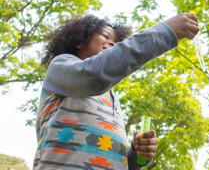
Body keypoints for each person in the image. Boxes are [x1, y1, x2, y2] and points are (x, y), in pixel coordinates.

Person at [33, 13, 199, 170]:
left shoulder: (111, 99)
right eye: (106, 36)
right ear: (79, 41)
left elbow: (113, 160)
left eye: (116, 42)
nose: (113, 44)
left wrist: (135, 155)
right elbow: (96, 72)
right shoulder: (63, 67)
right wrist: (164, 32)